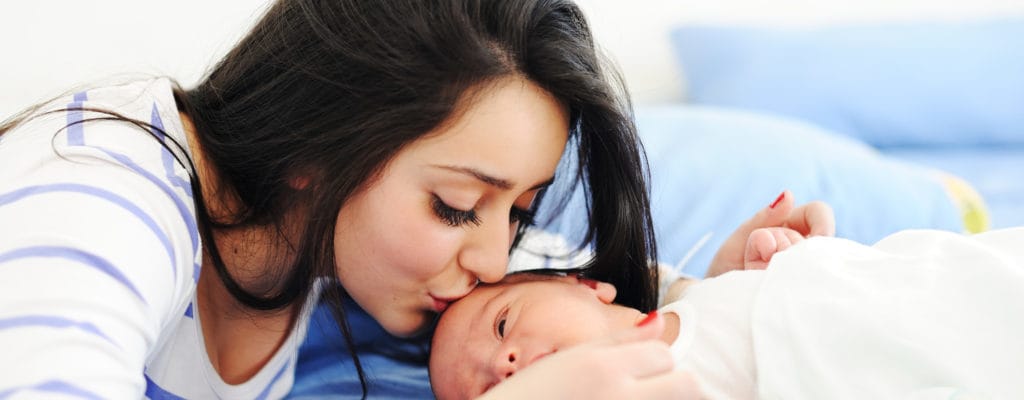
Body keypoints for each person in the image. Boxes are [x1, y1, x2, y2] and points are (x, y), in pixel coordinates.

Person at [0, 0, 833, 398]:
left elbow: (552, 292)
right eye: (457, 206)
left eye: (519, 209)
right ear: (318, 140)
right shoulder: (99, 195)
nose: (493, 259)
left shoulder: (330, 242)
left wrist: (717, 296)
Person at [429, 226, 1024, 400]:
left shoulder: (706, 291)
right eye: (484, 393)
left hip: (940, 298)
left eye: (503, 323)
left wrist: (789, 264)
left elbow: (844, 288)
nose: (503, 361)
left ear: (589, 287)